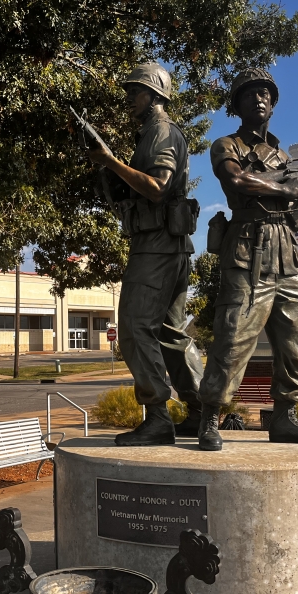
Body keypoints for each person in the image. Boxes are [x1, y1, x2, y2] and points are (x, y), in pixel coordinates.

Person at [196, 69, 298, 451]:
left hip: (285, 253)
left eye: (266, 94)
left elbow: (294, 211)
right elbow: (236, 181)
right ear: (237, 104)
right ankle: (208, 419)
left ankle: (285, 417)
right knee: (233, 338)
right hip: (248, 252)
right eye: (250, 94)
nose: (259, 99)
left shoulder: (282, 156)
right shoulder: (226, 145)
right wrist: (283, 186)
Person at [86, 62, 204, 446]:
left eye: (134, 92)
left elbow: (157, 187)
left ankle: (157, 416)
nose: (129, 100)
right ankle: (202, 411)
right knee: (171, 334)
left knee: (136, 329)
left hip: (155, 246)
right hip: (168, 244)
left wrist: (110, 161)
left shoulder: (160, 130)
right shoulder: (153, 133)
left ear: (154, 95)